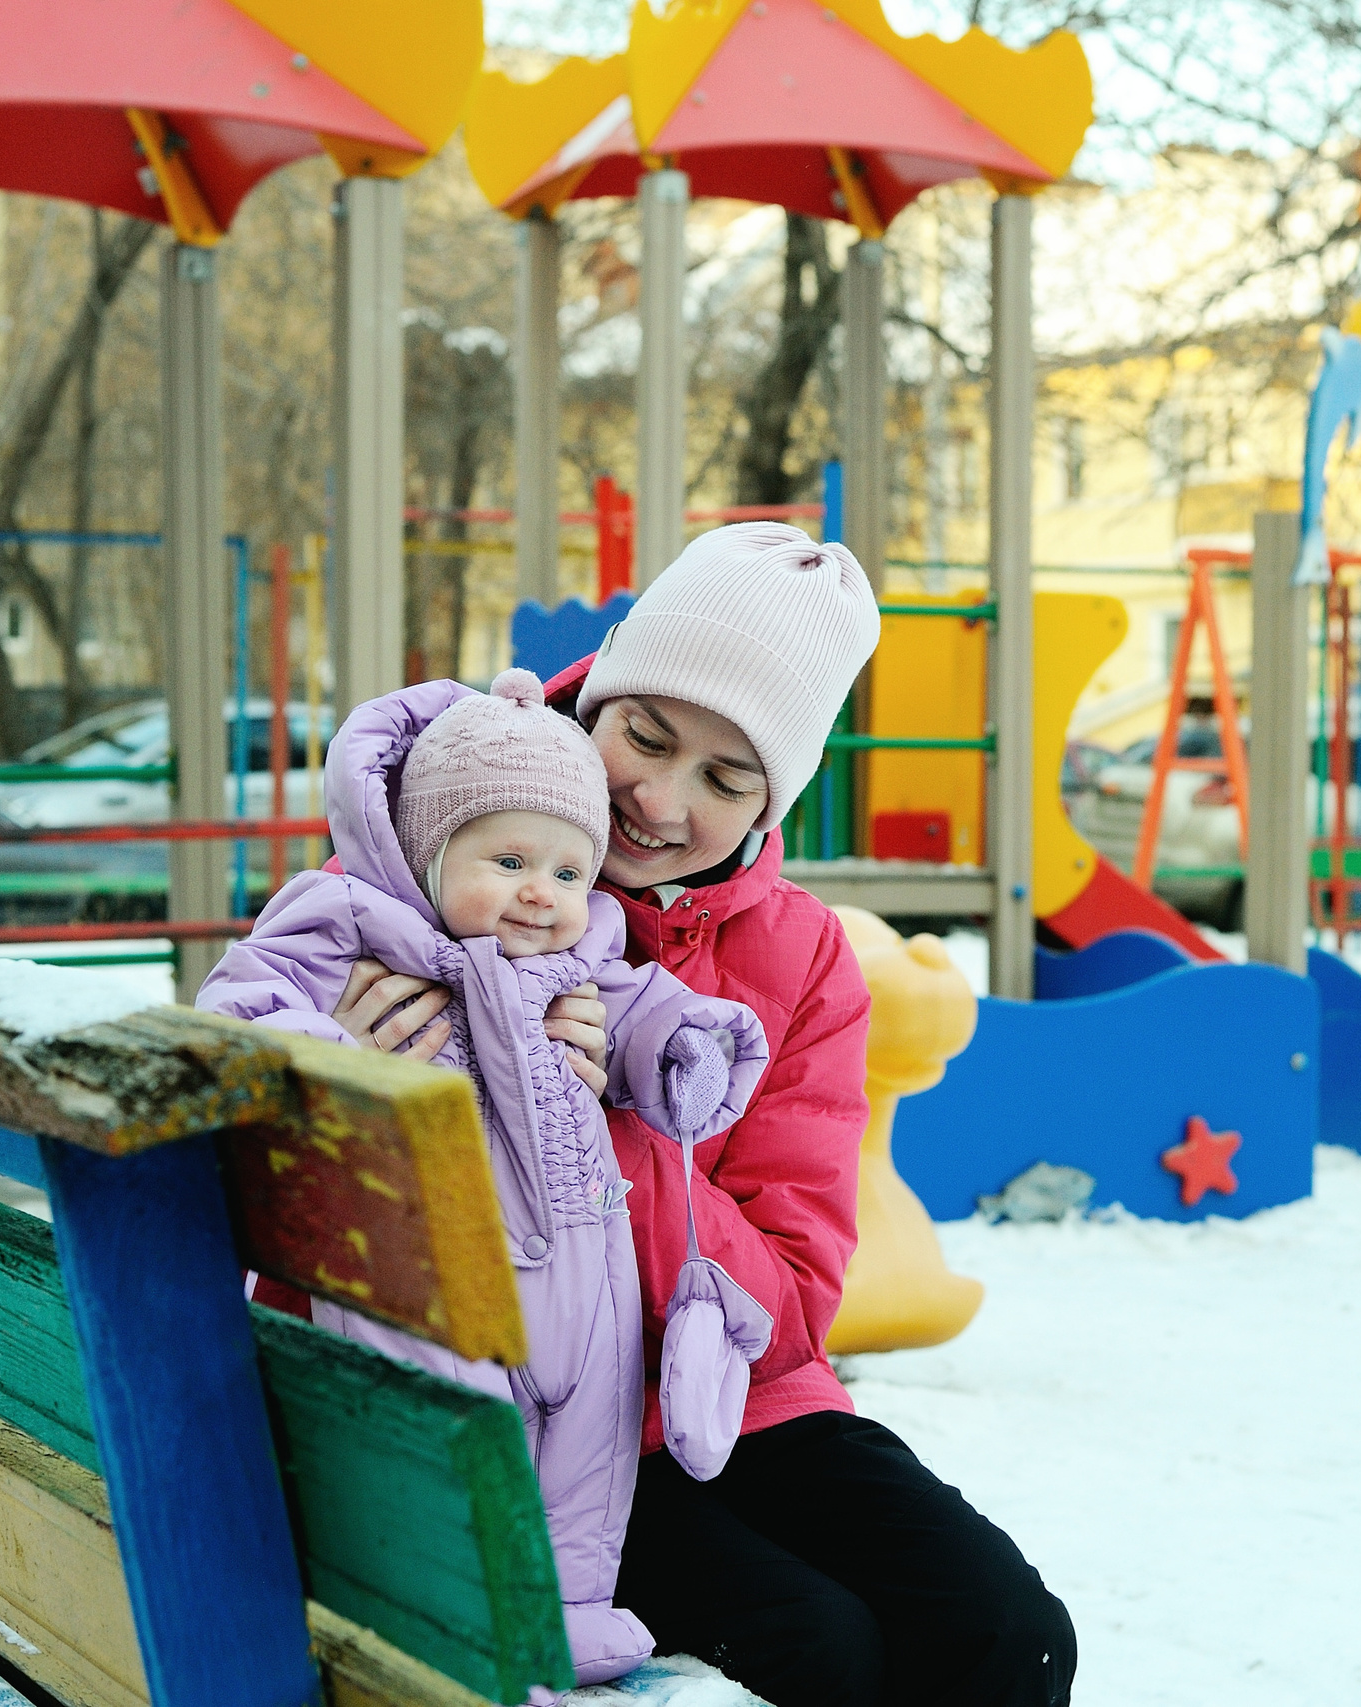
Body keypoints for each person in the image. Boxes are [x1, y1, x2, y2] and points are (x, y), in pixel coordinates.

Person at [322, 525, 1077, 1707]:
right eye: (646, 736)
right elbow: (252, 1148)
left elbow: (791, 1301)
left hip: (724, 1398)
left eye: (726, 780)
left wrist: (611, 1118)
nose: (657, 802)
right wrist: (344, 1073)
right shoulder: (428, 858)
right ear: (596, 700)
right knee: (815, 1648)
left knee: (1001, 1627)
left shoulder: (801, 959)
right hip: (516, 1416)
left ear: (775, 799)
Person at [196, 668, 771, 1687]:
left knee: (583, 1462)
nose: (540, 892)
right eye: (506, 859)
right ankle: (461, 1616)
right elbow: (240, 1012)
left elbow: (641, 1010)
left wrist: (686, 1048)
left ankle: (570, 1613)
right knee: (456, 1448)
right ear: (427, 850)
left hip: (585, 1271)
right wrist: (333, 1048)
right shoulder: (352, 922)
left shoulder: (584, 943)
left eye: (564, 868)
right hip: (425, 1265)